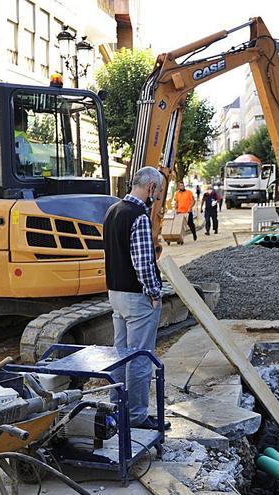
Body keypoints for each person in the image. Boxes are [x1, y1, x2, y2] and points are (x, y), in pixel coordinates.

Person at [102, 166, 169, 430]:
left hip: (115, 295)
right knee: (140, 358)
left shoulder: (112, 211)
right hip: (136, 298)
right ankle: (137, 417)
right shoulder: (138, 216)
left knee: (120, 355)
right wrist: (154, 294)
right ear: (151, 188)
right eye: (159, 191)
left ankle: (115, 408)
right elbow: (143, 263)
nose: (157, 196)